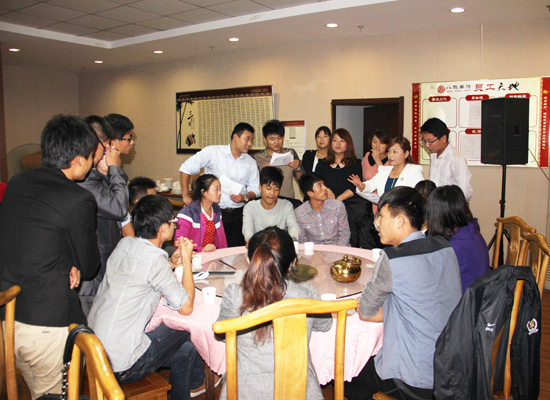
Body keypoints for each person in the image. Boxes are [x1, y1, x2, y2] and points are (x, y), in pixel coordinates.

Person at [0, 114, 100, 399]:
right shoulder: (78, 198)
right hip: (45, 325)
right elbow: (90, 266)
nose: (93, 163)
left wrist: (68, 260)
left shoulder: (17, 183)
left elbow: (30, 239)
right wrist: (76, 263)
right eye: (91, 156)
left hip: (7, 319)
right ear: (78, 159)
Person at [345, 187, 462, 400]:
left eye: (381, 216)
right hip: (452, 369)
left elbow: (366, 311)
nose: (376, 223)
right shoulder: (445, 247)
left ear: (400, 221)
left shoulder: (392, 258)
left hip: (415, 378)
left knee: (348, 376)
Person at [88, 195, 207, 400]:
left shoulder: (125, 244)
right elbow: (186, 306)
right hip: (122, 364)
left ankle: (194, 385)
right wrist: (187, 260)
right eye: (173, 221)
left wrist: (171, 263)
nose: (174, 225)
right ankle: (197, 382)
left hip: (94, 351)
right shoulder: (154, 259)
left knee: (186, 351)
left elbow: (141, 272)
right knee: (186, 328)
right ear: (162, 229)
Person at [216, 226, 332, 399]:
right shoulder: (306, 294)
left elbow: (221, 334)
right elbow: (325, 324)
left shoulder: (234, 295)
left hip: (244, 392)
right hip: (300, 391)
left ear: (249, 261)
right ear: (293, 263)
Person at [77, 115, 129, 316]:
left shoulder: (93, 175)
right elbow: (119, 208)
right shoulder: (83, 179)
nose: (110, 149)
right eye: (107, 144)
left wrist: (107, 174)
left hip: (104, 261)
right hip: (93, 270)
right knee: (92, 322)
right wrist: (115, 169)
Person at [179, 122, 260, 247]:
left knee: (234, 250)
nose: (249, 143)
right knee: (212, 248)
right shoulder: (213, 152)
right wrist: (185, 195)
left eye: (252, 140)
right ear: (235, 137)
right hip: (214, 211)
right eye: (247, 139)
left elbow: (256, 189)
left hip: (238, 213)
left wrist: (245, 197)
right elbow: (186, 168)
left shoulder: (250, 162)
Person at [315, 128, 375, 248]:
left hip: (350, 204)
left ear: (348, 144)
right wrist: (328, 191)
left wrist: (338, 200)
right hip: (327, 202)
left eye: (342, 141)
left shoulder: (356, 163)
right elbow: (317, 182)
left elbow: (354, 187)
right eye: (335, 140)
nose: (338, 143)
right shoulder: (322, 164)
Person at [427, 185, 490, 293]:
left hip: (464, 301)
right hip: (480, 297)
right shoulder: (474, 232)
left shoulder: (454, 248)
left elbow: (435, 283)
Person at [350, 137, 424, 205]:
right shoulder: (385, 170)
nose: (390, 155)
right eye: (389, 151)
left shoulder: (413, 171)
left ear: (406, 154)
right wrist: (362, 186)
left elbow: (418, 197)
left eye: (394, 152)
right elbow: (372, 183)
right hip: (384, 211)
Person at [242, 166, 300, 242]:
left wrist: (292, 240)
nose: (272, 193)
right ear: (260, 188)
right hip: (258, 246)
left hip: (280, 246)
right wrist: (251, 242)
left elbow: (294, 227)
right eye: (268, 188)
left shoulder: (287, 206)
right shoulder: (250, 207)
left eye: (276, 189)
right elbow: (248, 231)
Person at [420, 117, 473, 201]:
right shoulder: (434, 154)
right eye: (424, 141)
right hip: (435, 204)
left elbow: (465, 193)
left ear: (443, 139)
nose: (427, 145)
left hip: (449, 207)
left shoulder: (456, 159)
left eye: (430, 141)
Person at [253, 119, 304, 202]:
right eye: (272, 139)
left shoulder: (290, 153)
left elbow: (302, 181)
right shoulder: (257, 158)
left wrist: (297, 168)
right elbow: (252, 186)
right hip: (267, 203)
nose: (276, 142)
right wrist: (262, 173)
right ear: (264, 139)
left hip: (288, 202)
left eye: (279, 138)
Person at [175, 174, 228, 252]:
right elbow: (179, 243)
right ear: (203, 192)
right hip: (193, 255)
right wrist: (201, 249)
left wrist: (224, 254)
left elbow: (221, 238)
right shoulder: (188, 213)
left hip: (212, 254)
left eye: (220, 189)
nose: (219, 193)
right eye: (216, 189)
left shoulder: (216, 209)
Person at [295, 173, 350, 246]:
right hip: (314, 250)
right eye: (319, 185)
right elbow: (302, 240)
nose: (325, 188)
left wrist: (337, 251)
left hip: (338, 248)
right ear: (310, 193)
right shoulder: (300, 213)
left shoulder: (337, 206)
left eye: (323, 184)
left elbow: (345, 234)